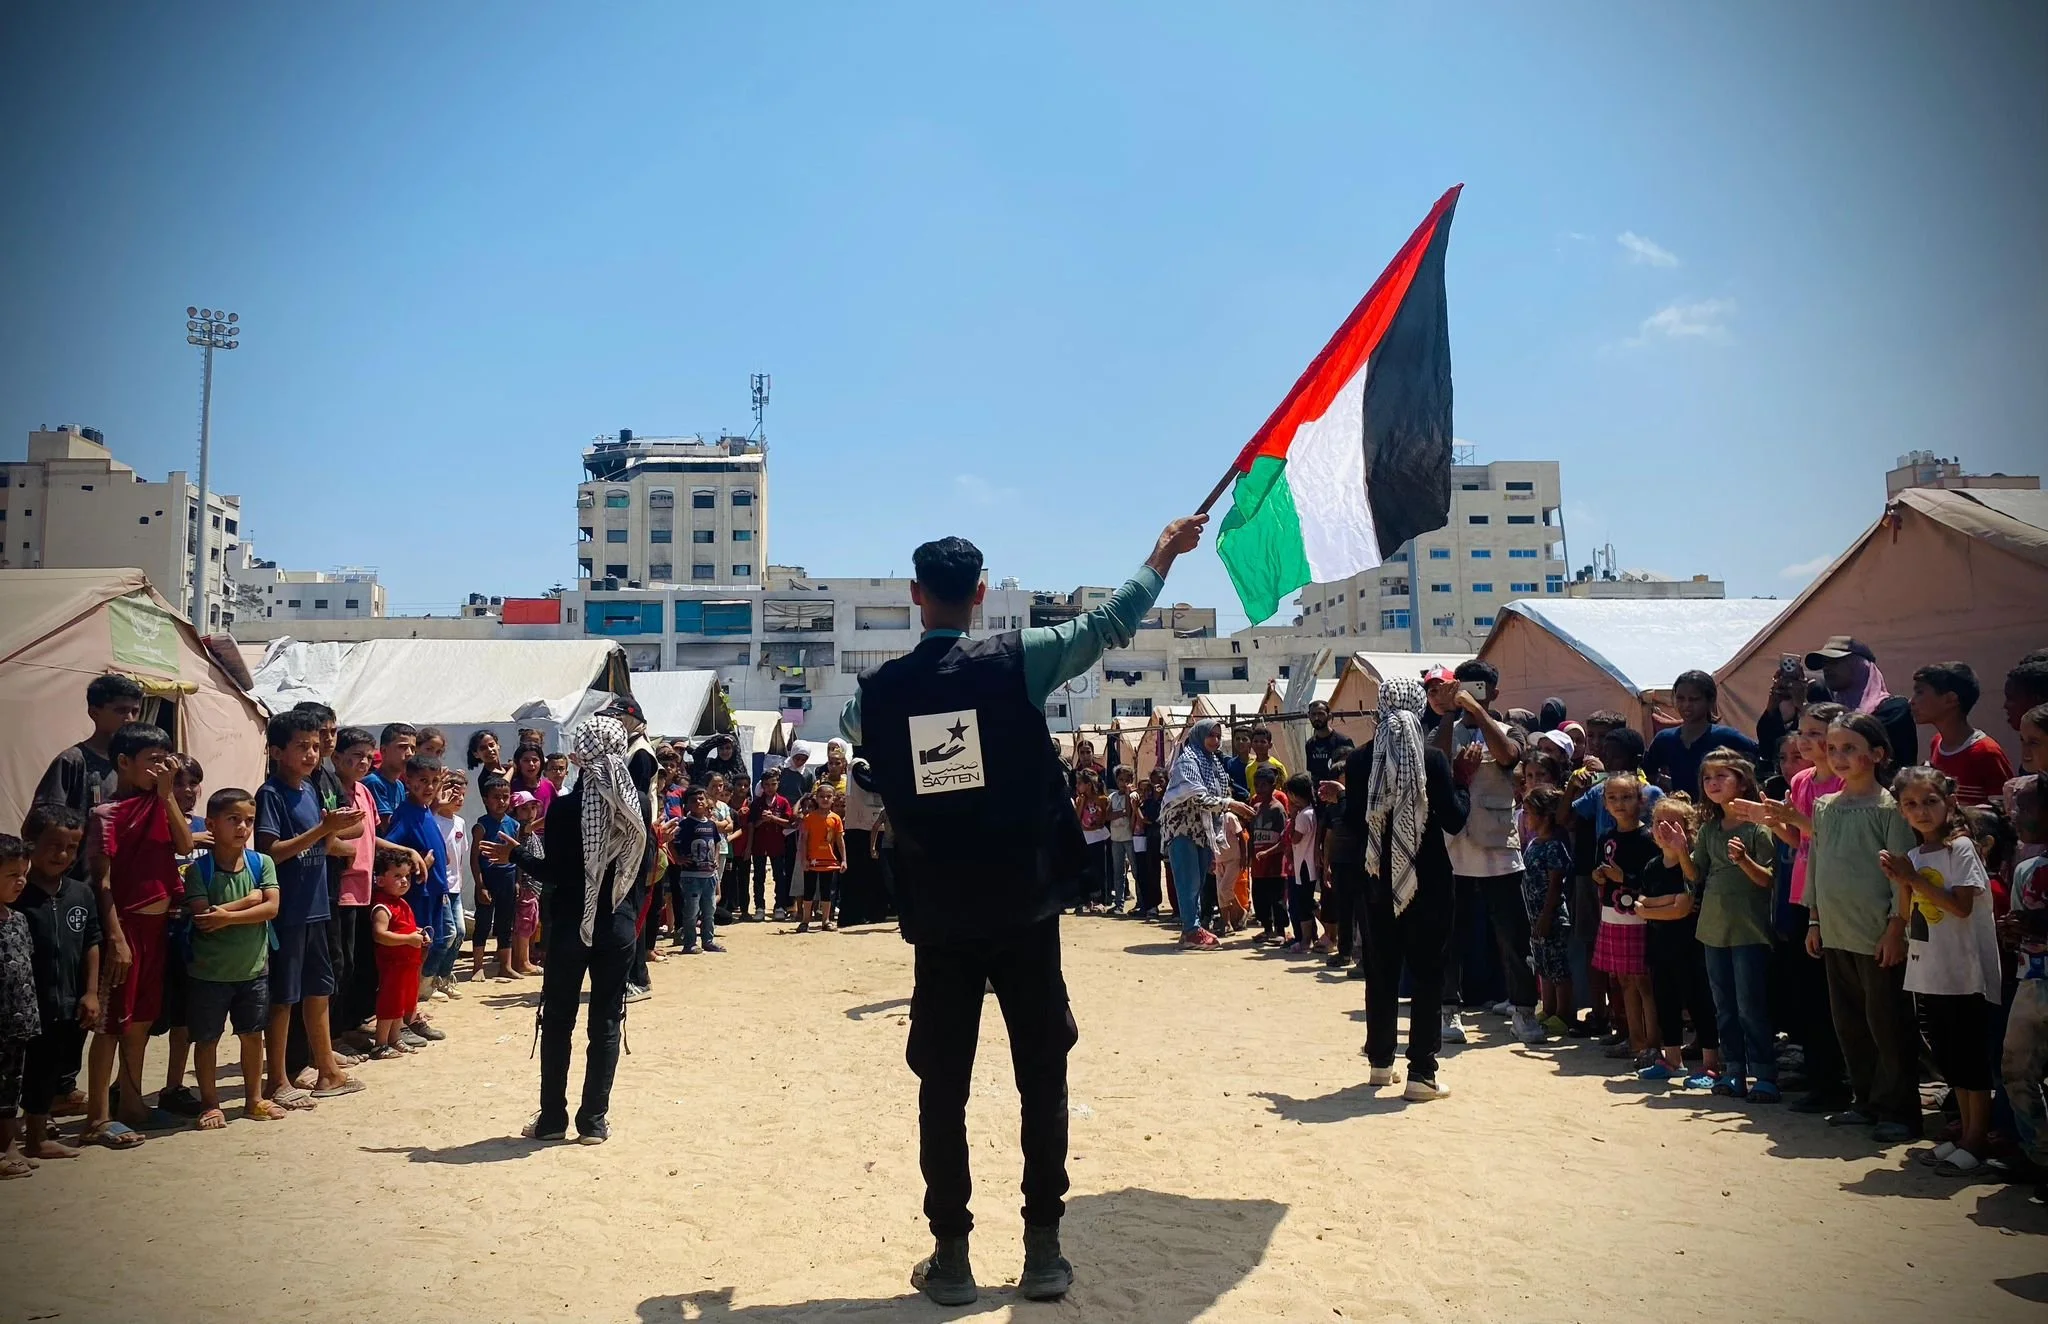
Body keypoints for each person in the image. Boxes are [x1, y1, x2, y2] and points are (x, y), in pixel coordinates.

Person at [840, 514, 1207, 1305]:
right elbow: (1109, 624)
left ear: (914, 597)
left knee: (943, 1085)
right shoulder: (1020, 661)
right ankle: (1043, 1251)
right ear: (978, 596)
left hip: (938, 917)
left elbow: (852, 729)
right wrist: (1160, 555)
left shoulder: (880, 694)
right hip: (1026, 908)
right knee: (1041, 1074)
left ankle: (953, 1260)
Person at [488, 715, 648, 1144]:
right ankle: (593, 1122)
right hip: (617, 927)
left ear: (581, 753)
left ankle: (553, 1121)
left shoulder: (564, 807)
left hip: (569, 929)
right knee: (606, 1022)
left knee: (558, 1021)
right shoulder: (638, 807)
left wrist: (517, 856)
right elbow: (642, 873)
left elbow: (553, 873)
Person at [1806, 711, 1922, 1142]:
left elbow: (1903, 877)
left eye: (1849, 748)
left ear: (1876, 754)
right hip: (1835, 932)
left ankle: (1901, 1111)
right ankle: (1866, 1100)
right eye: (1832, 748)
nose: (1838, 756)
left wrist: (1896, 928)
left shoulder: (1891, 809)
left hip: (1877, 936)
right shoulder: (1824, 807)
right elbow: (1817, 865)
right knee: (1850, 1023)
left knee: (1887, 1024)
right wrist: (1814, 919)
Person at [1354, 676, 1472, 1100]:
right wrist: (1462, 781)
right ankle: (1421, 1072)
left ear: (1380, 709)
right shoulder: (1433, 759)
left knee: (1381, 972)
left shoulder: (1359, 760)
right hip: (1430, 881)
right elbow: (1455, 820)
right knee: (1426, 974)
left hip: (1373, 882)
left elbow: (1352, 827)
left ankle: (1380, 1063)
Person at [81, 722, 194, 1146]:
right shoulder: (107, 814)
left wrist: (166, 797)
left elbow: (183, 845)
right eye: (152, 761)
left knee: (140, 1022)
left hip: (157, 927)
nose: (159, 770)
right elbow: (102, 883)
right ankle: (97, 1117)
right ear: (125, 762)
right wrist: (115, 938)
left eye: (165, 761)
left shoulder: (160, 805)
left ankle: (131, 1104)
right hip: (125, 928)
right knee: (112, 1023)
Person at [1886, 766, 2002, 1174]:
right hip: (1930, 971)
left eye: (1930, 801)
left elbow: (1961, 906)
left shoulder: (1961, 849)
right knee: (1951, 1057)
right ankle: (1965, 1134)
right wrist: (1903, 883)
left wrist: (1913, 878)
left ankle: (1977, 1138)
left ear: (1949, 803)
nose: (1921, 811)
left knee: (1972, 1059)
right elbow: (1912, 908)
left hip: (1965, 974)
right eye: (1911, 805)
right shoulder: (1916, 856)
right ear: (1901, 812)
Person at [1428, 661, 1544, 1047]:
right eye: (1466, 687)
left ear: (1493, 692)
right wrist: (1447, 714)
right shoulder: (1444, 729)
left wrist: (1478, 713)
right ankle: (1449, 1010)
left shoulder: (1506, 730)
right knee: (1449, 937)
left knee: (1513, 936)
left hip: (1499, 847)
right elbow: (1437, 765)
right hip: (1455, 847)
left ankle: (1524, 1011)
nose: (1471, 694)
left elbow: (1510, 755)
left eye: (1480, 688)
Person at [254, 711, 366, 1111]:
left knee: (319, 989)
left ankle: (326, 1071)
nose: (311, 753)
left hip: (318, 905)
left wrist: (337, 831)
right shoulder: (271, 795)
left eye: (315, 746)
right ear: (278, 751)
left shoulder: (311, 790)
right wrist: (323, 832)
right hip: (288, 910)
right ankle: (278, 1079)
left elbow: (327, 839)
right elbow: (270, 851)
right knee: (284, 998)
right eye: (302, 746)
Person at [180, 788, 284, 1128]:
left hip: (253, 968)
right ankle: (210, 1104)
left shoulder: (261, 862)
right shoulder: (200, 870)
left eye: (249, 821)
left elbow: (271, 907)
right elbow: (203, 919)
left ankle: (254, 1099)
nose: (243, 827)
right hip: (208, 973)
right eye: (233, 820)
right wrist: (243, 904)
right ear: (211, 823)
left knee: (253, 1036)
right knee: (207, 1040)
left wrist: (225, 915)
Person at [1680, 752, 1779, 1101]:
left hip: (1749, 928)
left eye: (1723, 776)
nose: (1714, 783)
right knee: (1724, 1005)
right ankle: (1733, 1071)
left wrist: (1744, 860)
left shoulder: (1758, 828)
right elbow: (1696, 875)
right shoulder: (1709, 829)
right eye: (1708, 778)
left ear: (1742, 781)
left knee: (1751, 1004)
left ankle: (1764, 1074)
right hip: (1713, 928)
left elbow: (1768, 880)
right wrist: (1680, 851)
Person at [12, 805, 97, 1160]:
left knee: (49, 1070)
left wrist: (91, 992)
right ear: (30, 843)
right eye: (53, 846)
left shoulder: (80, 893)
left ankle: (36, 1137)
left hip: (69, 1000)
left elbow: (92, 941)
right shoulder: (15, 895)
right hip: (22, 1007)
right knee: (16, 1073)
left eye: (71, 848)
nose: (62, 855)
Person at [1634, 795, 1721, 1087]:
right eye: (1659, 822)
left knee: (1699, 1004)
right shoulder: (1651, 866)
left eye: (1673, 823)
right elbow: (1640, 903)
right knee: (1665, 1003)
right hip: (1660, 948)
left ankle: (1711, 1065)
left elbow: (1683, 907)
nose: (1664, 829)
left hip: (1691, 948)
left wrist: (1653, 908)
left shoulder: (1691, 865)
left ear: (1688, 829)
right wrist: (1661, 905)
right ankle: (1672, 1060)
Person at [34, 674, 144, 880]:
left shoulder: (136, 765)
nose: (129, 718)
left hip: (125, 879)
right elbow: (45, 821)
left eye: (135, 711)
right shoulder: (74, 761)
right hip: (79, 881)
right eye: (120, 710)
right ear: (94, 712)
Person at [1161, 719, 1253, 950]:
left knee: (1199, 879)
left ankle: (1192, 928)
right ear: (1199, 736)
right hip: (1182, 828)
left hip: (1202, 829)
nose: (1215, 740)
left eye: (1218, 736)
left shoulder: (1214, 764)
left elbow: (1221, 792)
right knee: (1188, 879)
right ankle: (1190, 930)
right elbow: (1195, 796)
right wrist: (1231, 805)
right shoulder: (1188, 761)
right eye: (1210, 735)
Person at [1591, 773, 1660, 1068]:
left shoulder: (1648, 838)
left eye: (1627, 797)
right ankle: (1634, 1039)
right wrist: (1599, 876)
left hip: (1640, 917)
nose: (1619, 803)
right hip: (1612, 915)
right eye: (1613, 798)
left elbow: (1655, 879)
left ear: (1641, 801)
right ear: (1605, 804)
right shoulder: (1606, 838)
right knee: (1623, 981)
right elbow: (1601, 869)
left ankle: (1653, 1043)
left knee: (1644, 982)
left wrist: (1626, 879)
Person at [2001, 771, 2046, 1191]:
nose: (2016, 813)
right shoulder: (2027, 868)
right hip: (2031, 980)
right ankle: (2038, 1156)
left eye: (2026, 805)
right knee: (2017, 1069)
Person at [1641, 671, 1759, 799]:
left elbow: (1760, 762)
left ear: (1710, 700)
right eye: (1681, 698)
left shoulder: (1726, 737)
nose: (1686, 705)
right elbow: (1646, 773)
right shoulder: (1665, 739)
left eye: (1694, 699)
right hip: (1681, 814)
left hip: (1718, 814)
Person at [1910, 663, 2015, 808]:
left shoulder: (1986, 752)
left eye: (1920, 692)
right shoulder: (1937, 743)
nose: (1912, 701)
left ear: (1950, 699)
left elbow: (2005, 810)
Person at [1807, 636, 1918, 770]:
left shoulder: (1894, 710)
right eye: (1825, 663)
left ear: (1860, 665)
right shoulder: (1831, 708)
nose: (1827, 669)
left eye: (1835, 662)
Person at [1520, 786, 1574, 1034]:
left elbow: (1555, 886)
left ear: (1544, 816)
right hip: (1534, 917)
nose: (1525, 817)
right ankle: (1549, 1009)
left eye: (1529, 812)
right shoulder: (1532, 844)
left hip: (1551, 917)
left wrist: (1545, 916)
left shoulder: (1554, 846)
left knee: (1558, 967)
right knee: (1543, 966)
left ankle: (1564, 1014)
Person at [369, 847, 429, 1059]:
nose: (404, 881)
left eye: (406, 876)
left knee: (400, 1004)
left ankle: (395, 1038)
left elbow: (405, 927)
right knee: (389, 1005)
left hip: (407, 965)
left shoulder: (402, 903)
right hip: (393, 965)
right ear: (380, 880)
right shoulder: (382, 906)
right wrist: (409, 939)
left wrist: (418, 933)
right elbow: (380, 935)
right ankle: (381, 1044)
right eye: (397, 876)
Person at [0, 835, 36, 1177]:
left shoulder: (18, 919)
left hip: (18, 1021)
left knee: (11, 1087)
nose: (20, 881)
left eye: (23, 873)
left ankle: (8, 1147)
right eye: (12, 874)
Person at [470, 775, 520, 981]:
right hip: (488, 879)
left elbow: (517, 855)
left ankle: (505, 966)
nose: (501, 801)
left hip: (507, 878)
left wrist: (517, 881)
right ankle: (477, 967)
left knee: (505, 922)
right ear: (485, 799)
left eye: (505, 797)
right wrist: (480, 885)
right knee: (483, 922)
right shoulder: (481, 826)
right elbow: (474, 859)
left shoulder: (514, 825)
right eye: (496, 797)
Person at [428, 770, 469, 1000]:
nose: (459, 800)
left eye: (462, 795)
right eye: (454, 795)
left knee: (460, 932)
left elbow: (459, 857)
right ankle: (428, 980)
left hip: (455, 887)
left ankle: (444, 978)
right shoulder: (434, 820)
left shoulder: (460, 822)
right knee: (446, 934)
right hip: (440, 887)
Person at [670, 784, 724, 953]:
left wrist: (715, 859)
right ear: (687, 805)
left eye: (701, 798)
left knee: (709, 910)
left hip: (709, 874)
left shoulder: (711, 824)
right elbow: (670, 842)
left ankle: (708, 940)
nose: (699, 802)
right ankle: (689, 943)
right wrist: (678, 858)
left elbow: (716, 843)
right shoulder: (685, 825)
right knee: (691, 910)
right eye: (694, 800)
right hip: (691, 875)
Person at [795, 786, 846, 933]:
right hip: (812, 860)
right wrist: (804, 859)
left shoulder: (835, 819)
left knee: (826, 891)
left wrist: (844, 859)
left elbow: (839, 840)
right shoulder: (809, 818)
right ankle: (805, 920)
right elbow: (804, 840)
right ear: (816, 798)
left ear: (833, 798)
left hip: (829, 861)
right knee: (809, 890)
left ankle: (826, 920)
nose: (825, 799)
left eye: (828, 796)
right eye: (822, 796)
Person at [1249, 766, 1290, 944]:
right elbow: (1251, 834)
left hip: (1274, 865)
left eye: (1264, 785)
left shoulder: (1277, 809)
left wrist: (1269, 852)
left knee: (1277, 899)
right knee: (1260, 898)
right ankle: (1267, 928)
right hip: (1258, 865)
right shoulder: (1255, 806)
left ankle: (1280, 930)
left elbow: (1283, 838)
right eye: (1257, 785)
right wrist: (1249, 856)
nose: (1260, 789)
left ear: (1273, 786)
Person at [747, 770, 794, 923]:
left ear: (778, 784)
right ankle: (759, 907)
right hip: (760, 845)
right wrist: (762, 820)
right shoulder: (757, 803)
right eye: (766, 785)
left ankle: (779, 906)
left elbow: (789, 822)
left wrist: (773, 818)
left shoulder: (783, 802)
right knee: (759, 876)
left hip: (777, 844)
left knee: (779, 876)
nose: (769, 787)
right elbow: (752, 824)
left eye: (773, 784)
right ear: (762, 786)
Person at [1283, 773, 1320, 954]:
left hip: (1304, 864)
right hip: (1307, 864)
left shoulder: (1303, 816)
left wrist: (1292, 817)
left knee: (1305, 904)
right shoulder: (1312, 812)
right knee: (1307, 902)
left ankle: (1306, 941)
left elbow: (1295, 839)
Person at [362, 724, 418, 826]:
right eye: (402, 747)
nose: (409, 753)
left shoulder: (399, 785)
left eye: (413, 749)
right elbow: (387, 826)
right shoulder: (374, 782)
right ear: (384, 750)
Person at [1072, 769, 1110, 915]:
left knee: (1099, 869)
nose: (1077, 786)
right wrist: (1081, 802)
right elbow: (1078, 818)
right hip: (1084, 838)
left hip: (1098, 838)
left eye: (1080, 783)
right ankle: (1085, 900)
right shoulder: (1080, 799)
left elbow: (1102, 820)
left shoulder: (1101, 799)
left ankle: (1100, 899)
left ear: (1088, 785)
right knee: (1084, 870)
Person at [1106, 766, 1138, 916]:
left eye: (1127, 780)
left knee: (1136, 871)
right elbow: (1108, 816)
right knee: (1118, 872)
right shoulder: (1112, 797)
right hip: (1116, 838)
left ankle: (1141, 903)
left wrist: (1127, 795)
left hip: (1129, 838)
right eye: (1120, 780)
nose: (1123, 783)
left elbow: (1129, 811)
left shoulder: (1132, 797)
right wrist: (1121, 813)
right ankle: (1118, 903)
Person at [1304, 701, 1355, 785]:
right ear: (1308, 716)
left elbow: (1352, 770)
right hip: (1319, 794)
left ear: (1329, 716)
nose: (1316, 718)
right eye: (1313, 714)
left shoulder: (1343, 741)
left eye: (1321, 714)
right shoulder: (1310, 744)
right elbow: (1313, 773)